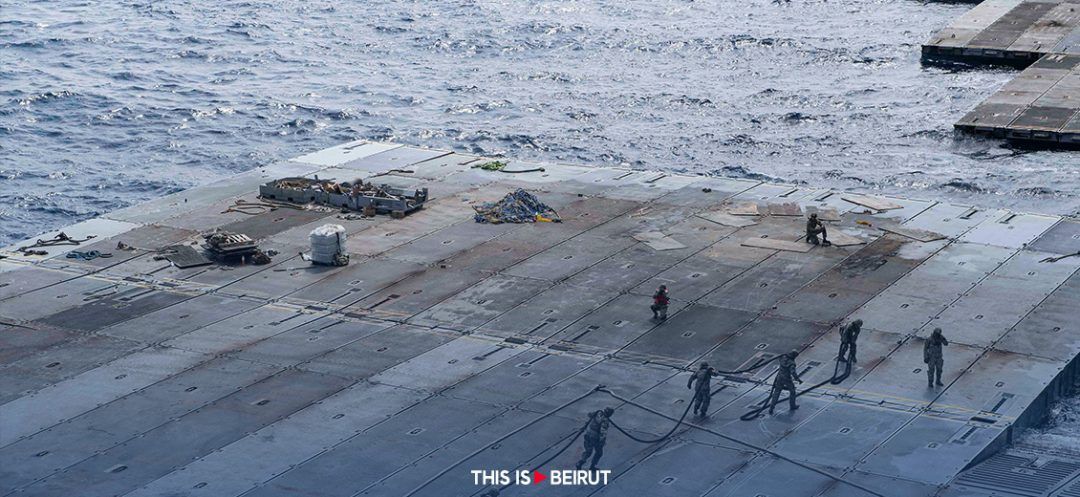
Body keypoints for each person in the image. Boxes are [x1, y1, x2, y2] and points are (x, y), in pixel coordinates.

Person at [768, 350, 803, 414]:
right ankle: (792, 406)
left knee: (777, 392)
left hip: (779, 378)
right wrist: (798, 379)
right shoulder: (792, 363)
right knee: (792, 391)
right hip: (787, 379)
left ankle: (771, 407)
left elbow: (779, 358)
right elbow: (793, 372)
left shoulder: (782, 358)